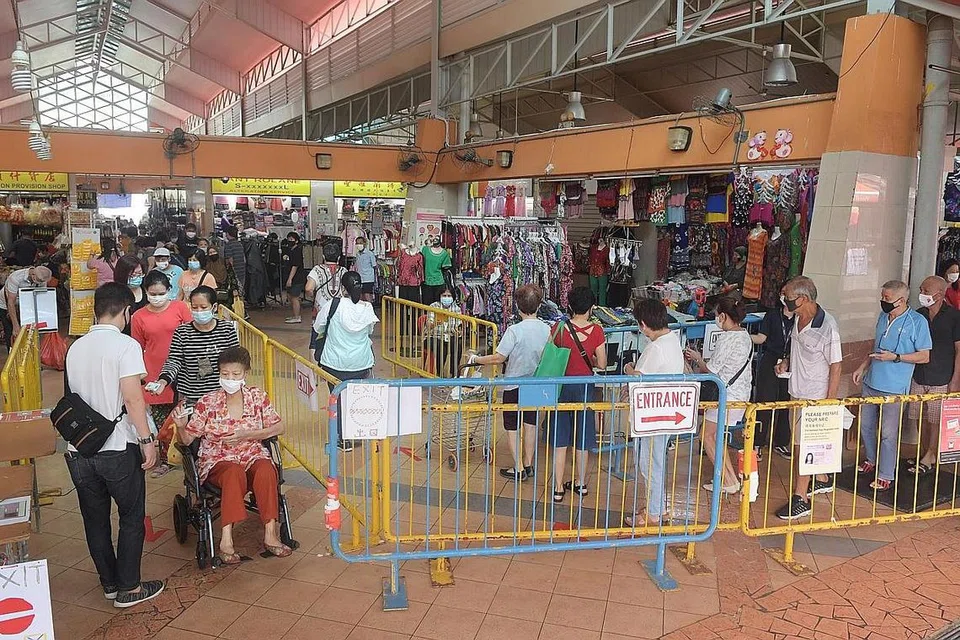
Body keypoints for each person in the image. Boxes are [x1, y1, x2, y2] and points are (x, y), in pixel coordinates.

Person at [63, 282, 164, 608]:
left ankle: (109, 583)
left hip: (80, 450)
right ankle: (129, 588)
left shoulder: (74, 347)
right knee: (131, 516)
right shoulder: (125, 346)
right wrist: (147, 441)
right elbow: (134, 399)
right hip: (117, 447)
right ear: (125, 311)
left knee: (95, 520)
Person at [173, 346, 291, 564]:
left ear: (245, 374)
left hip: (252, 454)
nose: (230, 379)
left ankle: (271, 533)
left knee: (266, 469)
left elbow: (279, 426)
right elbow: (187, 440)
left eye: (235, 375)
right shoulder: (207, 402)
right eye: (225, 374)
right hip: (219, 460)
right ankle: (226, 540)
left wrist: (250, 433)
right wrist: (181, 427)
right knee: (233, 472)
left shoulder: (257, 397)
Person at [774, 276, 843, 520]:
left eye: (788, 297)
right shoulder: (797, 318)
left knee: (803, 448)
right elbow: (796, 348)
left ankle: (801, 498)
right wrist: (785, 362)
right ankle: (822, 479)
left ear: (802, 299)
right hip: (796, 390)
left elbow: (836, 366)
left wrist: (829, 402)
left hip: (815, 398)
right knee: (801, 443)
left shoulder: (828, 327)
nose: (784, 300)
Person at [853, 280, 931, 491]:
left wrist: (896, 357)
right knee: (866, 425)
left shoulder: (917, 322)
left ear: (902, 300)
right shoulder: (882, 316)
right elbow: (875, 344)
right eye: (882, 297)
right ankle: (871, 458)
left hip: (895, 388)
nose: (882, 301)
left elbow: (924, 356)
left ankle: (886, 473)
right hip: (871, 381)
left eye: (886, 298)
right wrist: (863, 366)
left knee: (888, 433)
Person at [468, 285, 550, 481]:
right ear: (539, 306)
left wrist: (476, 359)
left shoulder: (514, 331)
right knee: (531, 423)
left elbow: (499, 357)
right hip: (535, 383)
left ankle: (518, 468)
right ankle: (529, 463)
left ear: (517, 306)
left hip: (514, 383)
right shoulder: (547, 329)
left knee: (512, 427)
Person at [623, 298, 685, 526]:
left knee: (649, 464)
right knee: (655, 461)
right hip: (665, 412)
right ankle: (657, 506)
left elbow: (638, 376)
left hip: (651, 415)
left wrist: (628, 369)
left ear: (643, 324)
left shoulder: (656, 348)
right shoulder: (672, 340)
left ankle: (653, 513)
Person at [685, 297, 753, 493]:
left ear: (723, 316)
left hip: (725, 395)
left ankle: (729, 480)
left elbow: (712, 369)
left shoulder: (728, 337)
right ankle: (729, 479)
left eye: (716, 315)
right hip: (739, 393)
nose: (716, 319)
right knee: (714, 437)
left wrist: (697, 359)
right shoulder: (744, 335)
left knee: (707, 435)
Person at [132, 271, 192, 478]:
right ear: (146, 292)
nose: (157, 297)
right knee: (161, 419)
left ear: (169, 290)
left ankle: (189, 454)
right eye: (152, 293)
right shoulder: (139, 316)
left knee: (185, 414)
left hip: (183, 369)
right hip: (155, 371)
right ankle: (166, 458)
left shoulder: (180, 308)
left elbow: (191, 333)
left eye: (161, 293)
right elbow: (137, 347)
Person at [551, 286, 607, 503]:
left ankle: (557, 488)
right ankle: (581, 484)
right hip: (585, 387)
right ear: (591, 307)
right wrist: (590, 359)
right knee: (582, 437)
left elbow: (550, 353)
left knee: (560, 438)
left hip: (561, 386)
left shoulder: (559, 328)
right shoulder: (597, 331)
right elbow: (601, 363)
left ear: (570, 306)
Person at [314, 272, 379, 451]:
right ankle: (360, 431)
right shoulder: (367, 308)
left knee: (338, 400)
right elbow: (369, 332)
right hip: (361, 362)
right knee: (357, 399)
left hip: (334, 363)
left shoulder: (332, 305)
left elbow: (318, 326)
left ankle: (343, 439)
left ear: (343, 288)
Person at [150, 286, 241, 407]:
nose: (199, 311)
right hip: (191, 397)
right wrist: (163, 380)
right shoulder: (182, 332)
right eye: (194, 307)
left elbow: (236, 360)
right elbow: (174, 361)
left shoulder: (227, 330)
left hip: (221, 396)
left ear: (213, 307)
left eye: (203, 307)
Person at [908, 276, 960, 475]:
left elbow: (959, 351)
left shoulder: (954, 317)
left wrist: (955, 380)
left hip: (942, 376)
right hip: (919, 375)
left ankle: (931, 454)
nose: (921, 293)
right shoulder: (918, 315)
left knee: (935, 418)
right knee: (918, 416)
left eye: (925, 290)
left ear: (939, 294)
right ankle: (923, 451)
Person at [753, 286, 795, 459]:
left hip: (791, 362)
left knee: (786, 403)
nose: (785, 297)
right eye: (783, 293)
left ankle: (781, 442)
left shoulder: (800, 318)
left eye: (788, 294)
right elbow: (761, 338)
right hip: (770, 360)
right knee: (765, 401)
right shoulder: (772, 314)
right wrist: (739, 334)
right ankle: (757, 443)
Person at [306, 243, 347, 362]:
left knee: (315, 341)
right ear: (339, 258)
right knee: (337, 340)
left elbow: (308, 288)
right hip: (338, 312)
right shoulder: (343, 271)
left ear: (323, 256)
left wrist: (313, 296)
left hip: (320, 312)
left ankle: (314, 372)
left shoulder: (317, 269)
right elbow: (346, 290)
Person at [2, 265, 52, 346]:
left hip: (26, 305)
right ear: (33, 276)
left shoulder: (41, 279)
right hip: (7, 304)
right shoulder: (16, 278)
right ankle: (13, 355)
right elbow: (11, 302)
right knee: (12, 332)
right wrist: (15, 325)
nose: (42, 283)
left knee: (30, 331)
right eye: (40, 281)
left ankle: (28, 355)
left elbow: (40, 298)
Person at [425, 286, 463, 377]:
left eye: (449, 296)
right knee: (441, 346)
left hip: (449, 335)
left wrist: (458, 331)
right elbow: (428, 326)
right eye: (444, 295)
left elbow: (458, 325)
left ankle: (454, 373)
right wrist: (435, 323)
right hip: (434, 336)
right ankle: (439, 373)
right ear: (440, 296)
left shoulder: (456, 309)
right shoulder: (434, 306)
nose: (446, 298)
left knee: (457, 345)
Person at [114, 255, 148, 328]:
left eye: (139, 274)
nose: (137, 278)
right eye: (132, 275)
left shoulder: (147, 291)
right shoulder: (115, 294)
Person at [282, 232, 306, 323]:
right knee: (291, 296)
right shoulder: (290, 250)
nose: (289, 241)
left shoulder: (297, 251)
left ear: (296, 240)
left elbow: (295, 266)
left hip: (296, 278)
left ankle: (297, 317)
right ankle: (295, 315)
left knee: (294, 297)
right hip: (292, 277)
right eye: (289, 239)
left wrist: (290, 279)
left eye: (292, 239)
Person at [223, 227, 246, 300]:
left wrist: (228, 270)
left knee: (234, 290)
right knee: (241, 288)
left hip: (234, 271)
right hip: (242, 269)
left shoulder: (228, 245)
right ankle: (241, 304)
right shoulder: (239, 244)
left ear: (228, 234)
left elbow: (230, 260)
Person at [354, 237, 377, 302]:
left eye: (360, 243)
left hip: (368, 279)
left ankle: (370, 309)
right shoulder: (357, 254)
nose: (359, 245)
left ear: (364, 243)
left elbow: (374, 266)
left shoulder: (370, 254)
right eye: (357, 243)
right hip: (360, 278)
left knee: (367, 295)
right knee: (360, 296)